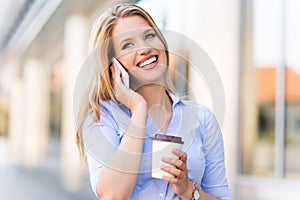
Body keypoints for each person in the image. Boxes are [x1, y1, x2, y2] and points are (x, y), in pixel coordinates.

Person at [76, 4, 231, 200]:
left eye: (149, 36)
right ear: (113, 65)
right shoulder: (102, 117)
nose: (145, 48)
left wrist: (187, 190)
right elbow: (112, 195)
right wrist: (138, 111)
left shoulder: (202, 118)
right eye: (127, 45)